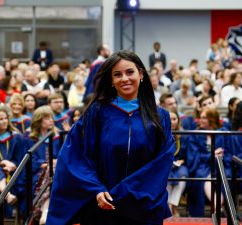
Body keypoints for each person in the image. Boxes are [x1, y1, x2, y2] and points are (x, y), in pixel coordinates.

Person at [47, 50, 176, 225]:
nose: (124, 78)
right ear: (112, 81)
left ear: (141, 74)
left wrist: (125, 192)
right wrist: (96, 189)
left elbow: (162, 161)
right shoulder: (96, 113)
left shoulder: (160, 116)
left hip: (142, 203)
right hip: (102, 203)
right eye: (117, 75)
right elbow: (76, 156)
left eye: (130, 72)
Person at [27, 106, 61, 225]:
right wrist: (44, 164)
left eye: (51, 117)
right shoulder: (30, 139)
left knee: (54, 172)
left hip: (56, 172)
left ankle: (45, 211)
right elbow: (29, 160)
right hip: (38, 174)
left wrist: (55, 162)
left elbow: (63, 156)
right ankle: (46, 210)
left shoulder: (57, 137)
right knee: (51, 173)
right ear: (38, 120)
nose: (51, 120)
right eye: (46, 118)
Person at [167, 110, 188, 217]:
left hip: (179, 165)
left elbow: (187, 155)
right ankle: (168, 206)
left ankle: (171, 205)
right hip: (165, 164)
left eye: (174, 119)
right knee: (166, 174)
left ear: (178, 121)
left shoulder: (183, 135)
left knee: (183, 175)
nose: (172, 122)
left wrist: (182, 161)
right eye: (169, 119)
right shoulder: (161, 134)